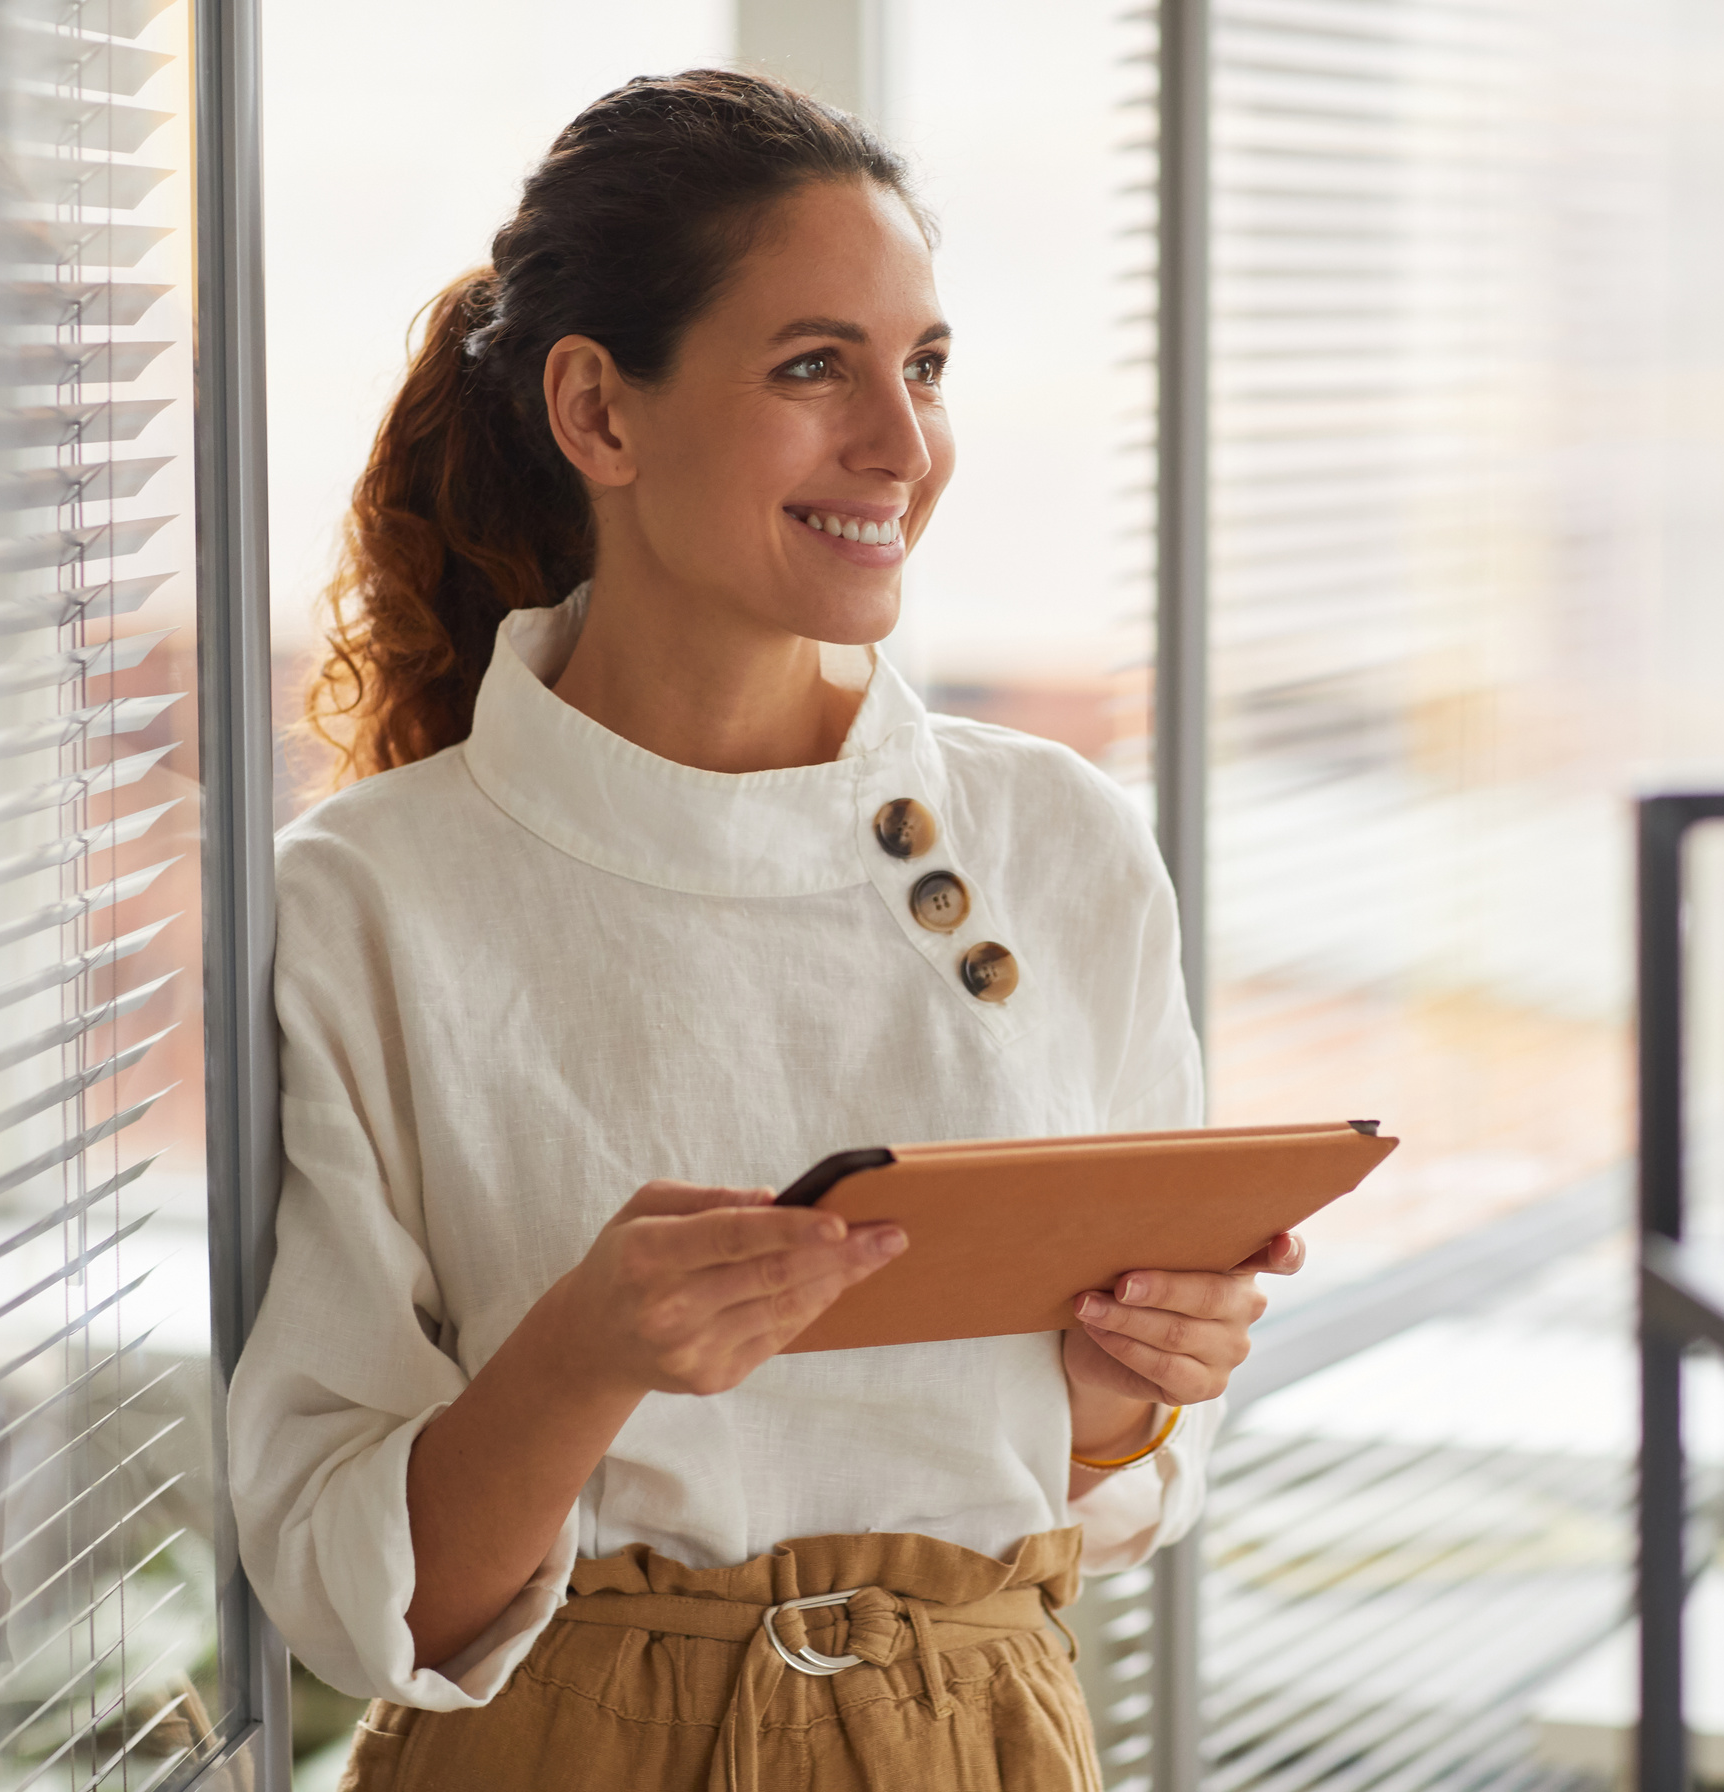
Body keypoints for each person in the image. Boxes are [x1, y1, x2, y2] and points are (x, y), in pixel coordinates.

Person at [229, 68, 1304, 1791]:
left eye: (926, 366)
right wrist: (588, 1356)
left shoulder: (1064, 843)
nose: (903, 443)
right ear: (598, 412)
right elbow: (364, 1602)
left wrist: (1136, 1383)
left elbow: (1106, 1485)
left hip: (986, 1734)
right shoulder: (368, 901)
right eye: (817, 367)